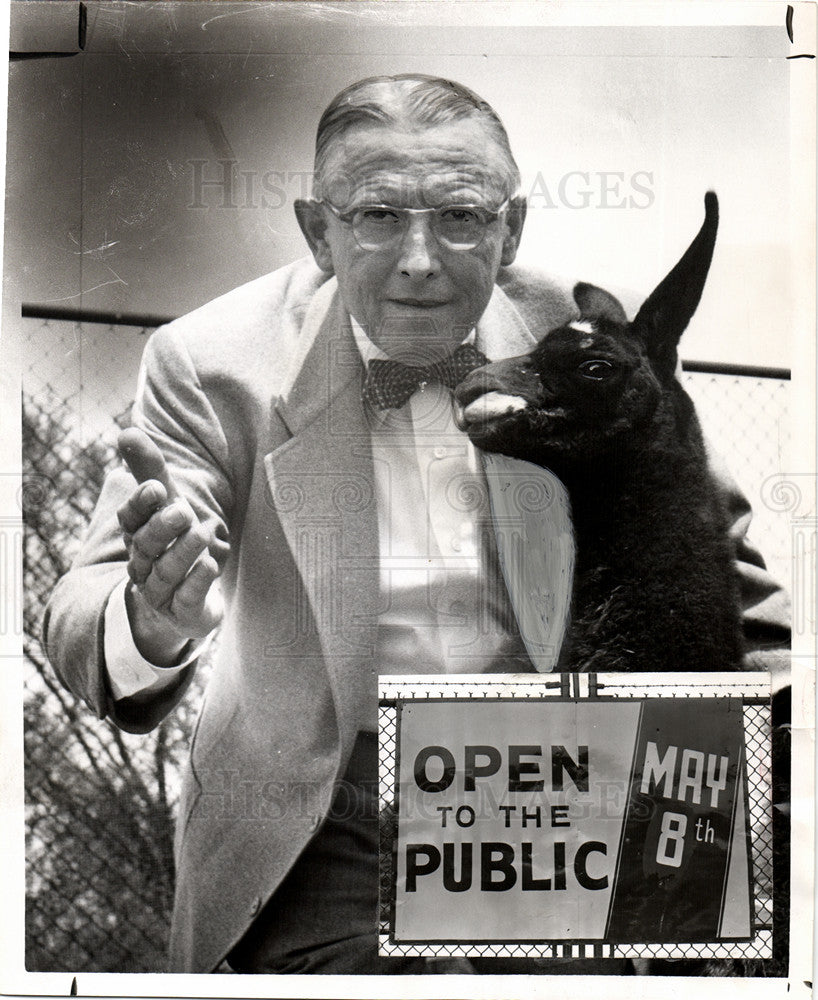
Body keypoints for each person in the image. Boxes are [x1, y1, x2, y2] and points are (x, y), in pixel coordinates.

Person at [43, 74, 790, 975]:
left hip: (557, 797)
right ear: (319, 232)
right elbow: (81, 607)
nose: (421, 258)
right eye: (378, 216)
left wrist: (773, 777)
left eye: (462, 218)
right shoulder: (210, 362)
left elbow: (735, 592)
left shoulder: (584, 341)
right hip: (323, 822)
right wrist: (152, 621)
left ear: (512, 227)